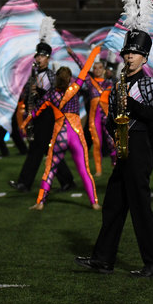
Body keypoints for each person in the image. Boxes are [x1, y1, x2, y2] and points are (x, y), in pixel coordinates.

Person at [76, 0, 153, 278]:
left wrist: (135, 108)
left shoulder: (147, 82)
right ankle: (103, 259)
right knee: (114, 204)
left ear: (144, 56)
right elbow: (115, 114)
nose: (129, 56)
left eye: (135, 53)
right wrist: (109, 126)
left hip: (141, 148)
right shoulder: (121, 82)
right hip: (124, 148)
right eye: (127, 52)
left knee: (141, 209)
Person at [20, 46, 102, 210]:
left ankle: (40, 202)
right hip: (76, 133)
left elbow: (37, 110)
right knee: (84, 170)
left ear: (57, 79)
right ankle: (94, 202)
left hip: (59, 134)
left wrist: (24, 123)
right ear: (69, 79)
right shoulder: (75, 88)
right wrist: (92, 53)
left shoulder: (50, 94)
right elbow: (85, 70)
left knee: (50, 168)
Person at [9, 20, 74, 193]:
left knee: (36, 151)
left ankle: (24, 182)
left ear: (48, 57)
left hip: (48, 117)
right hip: (36, 117)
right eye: (37, 56)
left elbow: (55, 96)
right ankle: (67, 180)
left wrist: (39, 91)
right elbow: (26, 95)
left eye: (42, 56)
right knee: (46, 150)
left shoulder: (53, 76)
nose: (39, 59)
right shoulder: (32, 75)